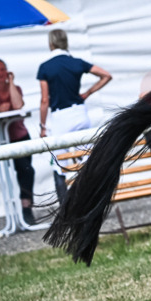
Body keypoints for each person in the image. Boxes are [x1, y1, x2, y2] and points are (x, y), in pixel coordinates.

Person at [37, 29, 113, 200]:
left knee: (59, 163)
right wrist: (87, 93)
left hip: (60, 117)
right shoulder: (77, 63)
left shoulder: (45, 67)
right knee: (86, 158)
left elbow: (44, 101)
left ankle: (65, 206)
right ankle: (93, 198)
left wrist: (43, 126)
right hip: (79, 113)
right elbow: (106, 76)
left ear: (51, 44)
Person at [0, 59, 36, 225]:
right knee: (6, 174)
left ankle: (26, 207)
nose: (1, 74)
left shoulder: (15, 89)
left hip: (19, 136)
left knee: (27, 171)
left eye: (3, 70)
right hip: (0, 138)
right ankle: (10, 210)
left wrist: (11, 83)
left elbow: (18, 105)